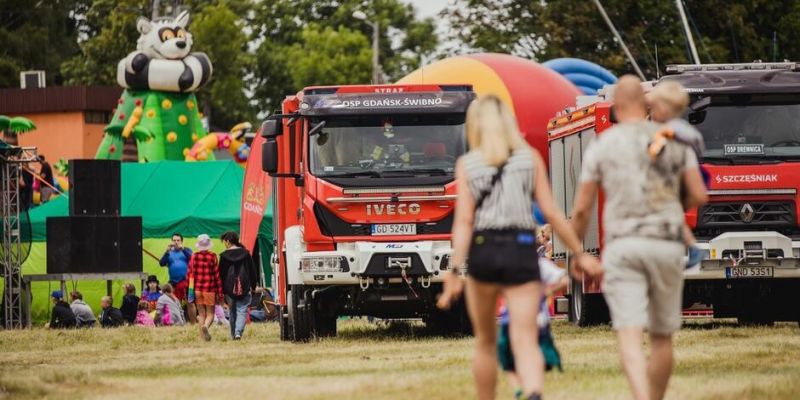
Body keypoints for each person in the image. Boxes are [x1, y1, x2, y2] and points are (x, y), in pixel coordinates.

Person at [437, 95, 602, 400]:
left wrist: (453, 269)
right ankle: (534, 391)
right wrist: (579, 254)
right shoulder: (529, 159)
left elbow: (463, 222)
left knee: (485, 342)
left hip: (484, 250)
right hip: (521, 248)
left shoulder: (468, 165)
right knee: (525, 338)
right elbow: (552, 212)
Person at [571, 76, 708, 400]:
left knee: (630, 336)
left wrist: (578, 252)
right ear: (645, 104)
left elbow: (581, 209)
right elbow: (699, 194)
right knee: (662, 338)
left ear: (616, 106)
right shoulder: (673, 139)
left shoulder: (604, 144)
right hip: (666, 244)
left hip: (624, 246)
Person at [646, 81, 707, 268]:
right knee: (674, 213)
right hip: (691, 176)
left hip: (669, 179)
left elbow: (655, 152)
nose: (652, 113)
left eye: (653, 108)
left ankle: (688, 247)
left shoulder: (665, 132)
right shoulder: (686, 129)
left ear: (663, 108)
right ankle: (691, 246)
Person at [497, 257, 569, 399]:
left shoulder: (503, 263)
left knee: (509, 363)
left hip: (510, 321)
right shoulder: (539, 263)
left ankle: (519, 391)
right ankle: (534, 390)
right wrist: (548, 291)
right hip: (537, 321)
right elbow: (565, 280)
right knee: (535, 356)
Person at [218, 231, 259, 340]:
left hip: (229, 288)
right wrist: (253, 286)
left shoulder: (224, 256)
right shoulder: (246, 253)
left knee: (232, 311)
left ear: (227, 241)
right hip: (244, 287)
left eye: (224, 242)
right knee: (242, 310)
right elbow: (252, 271)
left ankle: (233, 334)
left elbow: (221, 274)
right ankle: (238, 333)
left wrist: (221, 290)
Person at [187, 233, 222, 341]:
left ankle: (202, 338)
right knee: (210, 314)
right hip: (209, 289)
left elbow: (189, 273)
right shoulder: (212, 256)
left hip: (197, 289)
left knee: (201, 314)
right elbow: (217, 276)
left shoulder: (194, 256)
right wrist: (220, 293)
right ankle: (206, 326)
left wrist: (189, 290)